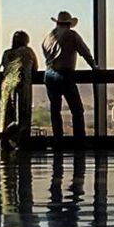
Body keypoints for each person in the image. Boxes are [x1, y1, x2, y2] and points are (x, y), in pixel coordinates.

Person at [40, 12, 97, 143]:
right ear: (69, 24)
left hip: (49, 73)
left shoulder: (48, 37)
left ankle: (57, 140)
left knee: (55, 109)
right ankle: (79, 140)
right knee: (76, 109)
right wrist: (94, 67)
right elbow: (85, 52)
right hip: (64, 74)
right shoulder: (72, 35)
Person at [0, 30, 36, 150]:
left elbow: (3, 69)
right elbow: (35, 67)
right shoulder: (27, 52)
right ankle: (17, 141)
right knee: (22, 116)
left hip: (7, 87)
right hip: (21, 86)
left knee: (8, 116)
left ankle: (5, 140)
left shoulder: (6, 53)